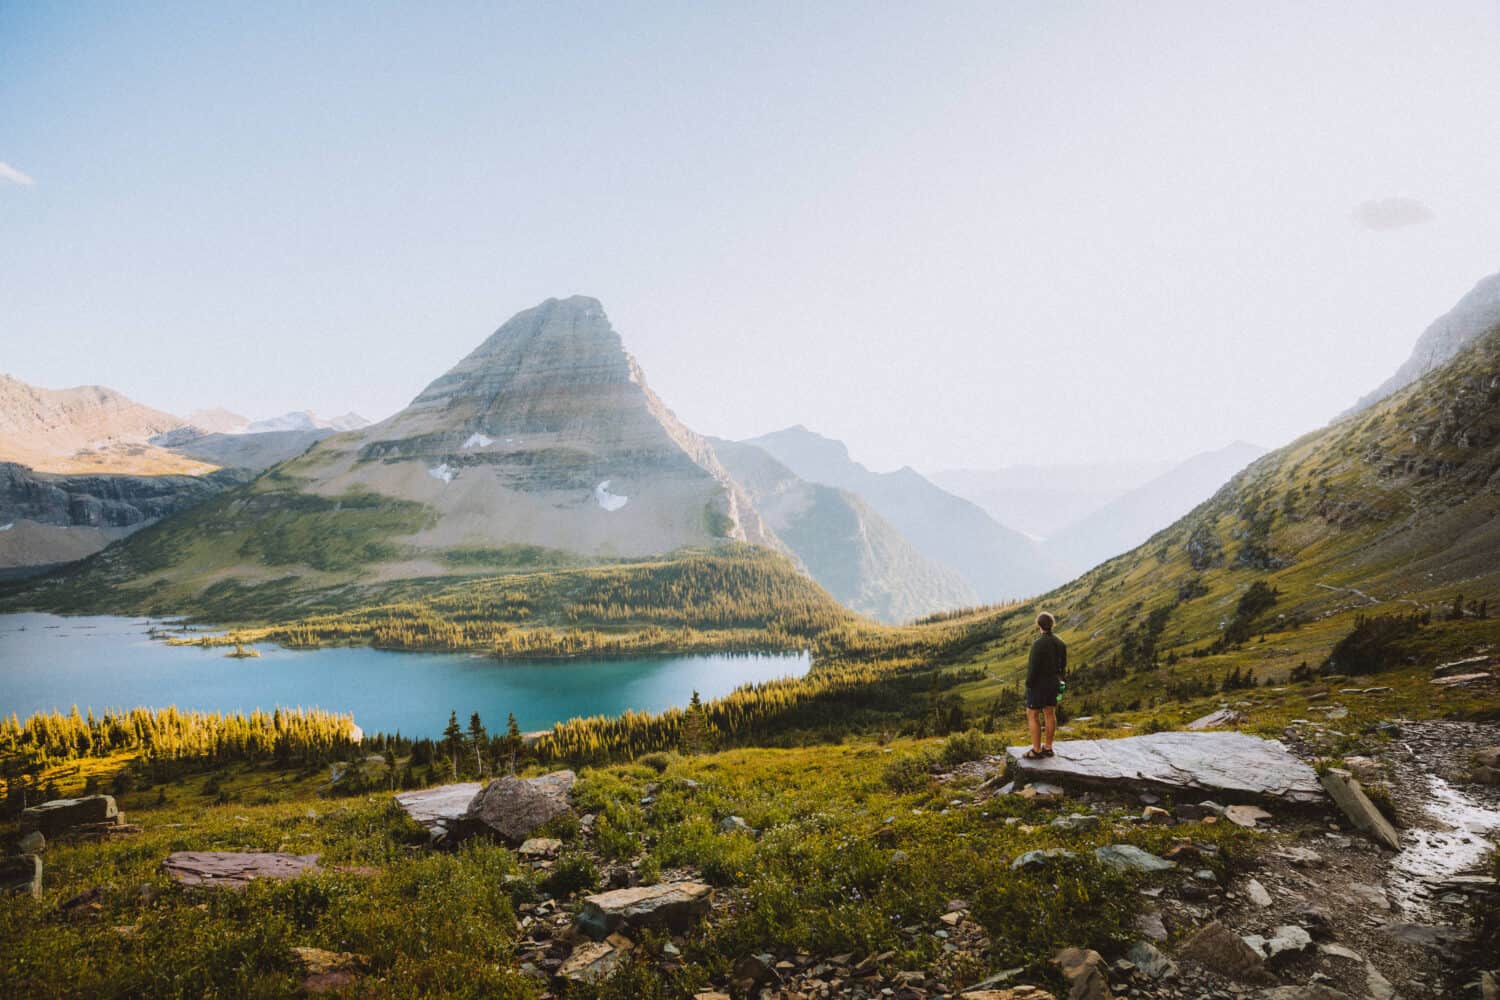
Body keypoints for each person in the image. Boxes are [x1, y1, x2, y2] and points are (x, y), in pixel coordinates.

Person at [1023, 611, 1066, 759]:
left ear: (1039, 625)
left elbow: (1033, 668)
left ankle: (1036, 750)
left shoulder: (1038, 644)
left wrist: (1029, 684)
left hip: (1039, 685)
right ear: (1052, 624)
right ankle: (1048, 748)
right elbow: (1063, 666)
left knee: (1032, 714)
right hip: (1054, 683)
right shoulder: (1060, 643)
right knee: (1050, 713)